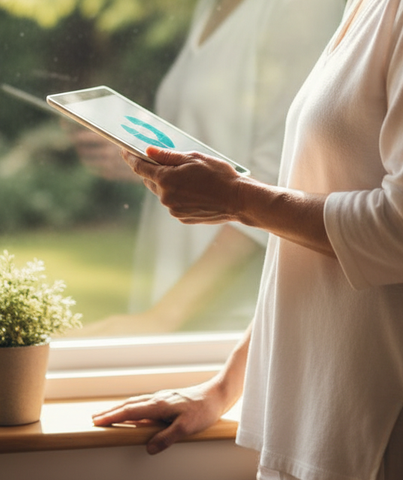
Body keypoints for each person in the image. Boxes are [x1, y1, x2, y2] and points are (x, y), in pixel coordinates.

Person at [93, 0, 403, 479]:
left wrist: (238, 199)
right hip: (328, 419)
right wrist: (226, 386)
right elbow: (322, 231)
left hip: (396, 433)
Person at [76, 0, 344, 335]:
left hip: (227, 325)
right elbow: (214, 147)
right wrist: (143, 155)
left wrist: (164, 317)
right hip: (172, 294)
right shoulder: (210, 7)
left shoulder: (299, 9)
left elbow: (279, 180)